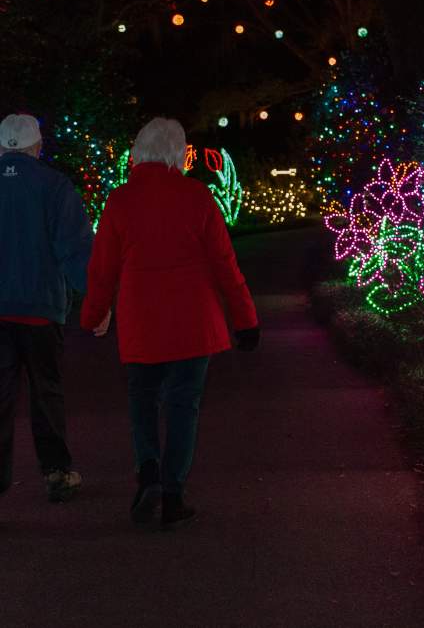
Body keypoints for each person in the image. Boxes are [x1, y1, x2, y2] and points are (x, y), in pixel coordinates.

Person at [80, 117, 259, 529]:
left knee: (142, 399)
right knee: (183, 404)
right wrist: (245, 319)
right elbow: (225, 265)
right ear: (178, 152)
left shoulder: (120, 200)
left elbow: (102, 270)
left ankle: (148, 472)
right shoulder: (197, 196)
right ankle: (174, 492)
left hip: (141, 320)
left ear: (138, 152)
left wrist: (93, 314)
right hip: (193, 322)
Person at [0, 113, 95, 503]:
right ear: (37, 147)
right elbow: (74, 248)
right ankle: (56, 471)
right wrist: (97, 299)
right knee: (46, 393)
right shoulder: (55, 185)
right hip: (41, 308)